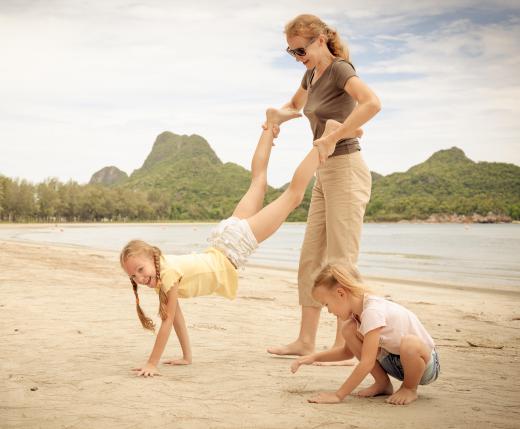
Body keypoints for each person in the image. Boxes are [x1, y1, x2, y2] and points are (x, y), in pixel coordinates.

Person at [120, 108, 363, 377]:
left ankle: (327, 139)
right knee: (258, 181)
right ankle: (271, 124)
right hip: (224, 238)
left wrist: (152, 363)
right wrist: (187, 357)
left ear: (151, 256)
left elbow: (166, 323)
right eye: (134, 276)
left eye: (140, 269)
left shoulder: (166, 276)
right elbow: (175, 317)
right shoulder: (164, 273)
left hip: (233, 246)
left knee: (293, 196)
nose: (140, 277)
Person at [267, 14, 380, 358]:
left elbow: (372, 103)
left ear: (320, 40)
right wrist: (276, 115)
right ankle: (305, 340)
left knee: (341, 262)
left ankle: (345, 344)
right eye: (291, 52)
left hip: (346, 169)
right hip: (324, 171)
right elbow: (295, 106)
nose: (297, 57)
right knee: (311, 259)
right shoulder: (310, 74)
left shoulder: (340, 70)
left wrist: (334, 135)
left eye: (300, 50)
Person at [291, 264, 440, 405]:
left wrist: (338, 395)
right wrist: (314, 357)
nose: (329, 311)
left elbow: (367, 362)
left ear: (341, 293)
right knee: (348, 329)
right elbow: (347, 353)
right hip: (396, 362)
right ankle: (382, 384)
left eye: (326, 304)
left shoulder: (372, 312)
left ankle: (409, 388)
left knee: (409, 344)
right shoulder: (357, 315)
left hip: (424, 366)